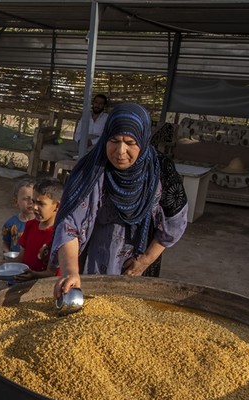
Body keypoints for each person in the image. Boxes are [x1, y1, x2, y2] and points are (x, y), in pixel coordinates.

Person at [51, 102, 188, 301]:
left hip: (138, 263)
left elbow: (174, 222)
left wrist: (144, 261)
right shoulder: (90, 170)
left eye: (130, 143)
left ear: (143, 139)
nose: (120, 151)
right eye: (114, 140)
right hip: (93, 258)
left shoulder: (161, 170)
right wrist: (70, 271)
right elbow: (69, 225)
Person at [14, 178, 63, 281]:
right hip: (24, 284)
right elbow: (21, 258)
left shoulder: (60, 235)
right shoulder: (30, 226)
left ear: (57, 206)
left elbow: (52, 273)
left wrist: (34, 275)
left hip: (44, 289)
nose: (34, 207)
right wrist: (6, 264)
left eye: (41, 204)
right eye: (33, 201)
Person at [1, 178, 35, 254]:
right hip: (16, 263)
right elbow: (5, 243)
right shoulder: (10, 224)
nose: (30, 202)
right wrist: (6, 253)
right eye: (26, 199)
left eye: (33, 199)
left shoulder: (41, 224)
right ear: (16, 201)